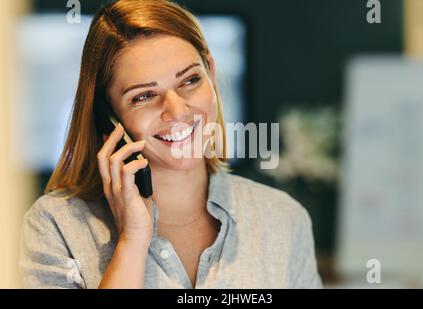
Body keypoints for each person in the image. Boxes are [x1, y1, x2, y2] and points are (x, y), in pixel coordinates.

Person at [19, 0, 322, 289]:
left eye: (190, 80)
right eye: (144, 96)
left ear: (211, 73)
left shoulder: (283, 219)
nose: (177, 111)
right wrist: (132, 241)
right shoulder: (57, 226)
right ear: (109, 116)